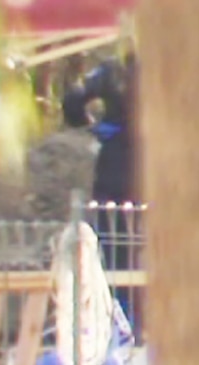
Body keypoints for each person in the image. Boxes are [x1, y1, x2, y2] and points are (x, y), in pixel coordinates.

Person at [62, 52, 143, 341]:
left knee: (113, 251)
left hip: (116, 169)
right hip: (154, 169)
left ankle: (121, 325)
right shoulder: (177, 64)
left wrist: (93, 125)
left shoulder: (112, 70)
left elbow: (72, 103)